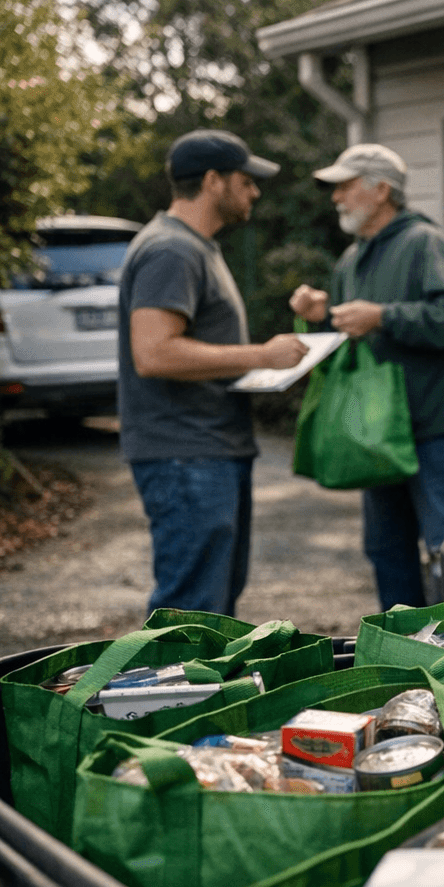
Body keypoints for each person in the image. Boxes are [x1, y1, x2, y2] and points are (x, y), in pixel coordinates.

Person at [118, 129, 310, 617]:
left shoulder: (195, 247)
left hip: (207, 452)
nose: (255, 192)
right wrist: (261, 356)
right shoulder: (171, 250)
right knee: (192, 614)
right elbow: (154, 353)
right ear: (212, 181)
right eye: (246, 181)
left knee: (213, 610)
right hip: (186, 455)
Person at [289, 143, 444, 609]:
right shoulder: (349, 261)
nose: (336, 197)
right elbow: (351, 339)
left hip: (434, 433)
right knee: (386, 551)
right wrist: (321, 316)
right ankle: (400, 643)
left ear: (382, 190)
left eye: (345, 186)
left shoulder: (425, 243)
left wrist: (382, 316)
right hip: (375, 436)